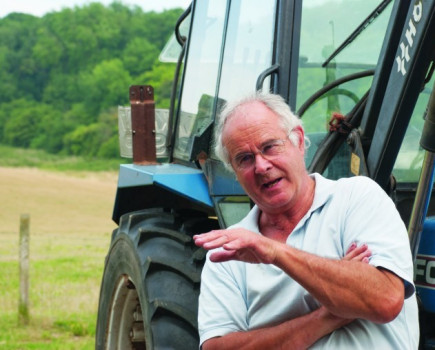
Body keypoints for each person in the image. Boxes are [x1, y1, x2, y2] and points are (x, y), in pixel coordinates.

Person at [193, 92, 419, 349]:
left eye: (269, 147)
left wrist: (276, 252)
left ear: (298, 141)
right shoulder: (229, 250)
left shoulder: (357, 198)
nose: (261, 166)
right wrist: (329, 314)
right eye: (244, 159)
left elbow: (384, 300)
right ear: (234, 172)